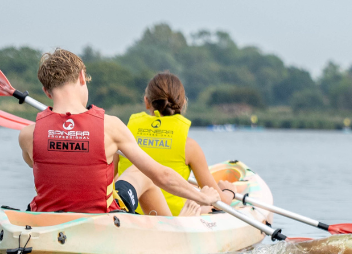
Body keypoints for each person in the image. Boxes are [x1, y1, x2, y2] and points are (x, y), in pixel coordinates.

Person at [16, 49, 220, 214]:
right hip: (102, 218)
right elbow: (162, 176)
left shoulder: (27, 136)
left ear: (45, 90)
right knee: (142, 173)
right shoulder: (111, 127)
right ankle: (174, 229)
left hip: (46, 218)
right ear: (81, 77)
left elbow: (50, 169)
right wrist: (203, 197)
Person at [114, 72, 233, 216]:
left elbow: (110, 180)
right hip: (170, 219)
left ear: (147, 102)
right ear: (183, 104)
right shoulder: (189, 147)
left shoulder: (124, 138)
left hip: (131, 216)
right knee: (206, 207)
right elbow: (221, 203)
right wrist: (229, 191)